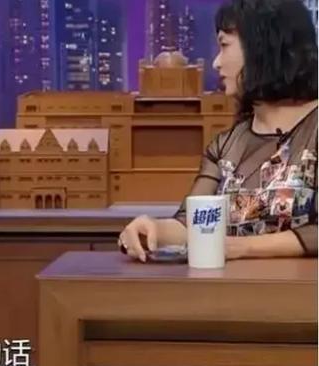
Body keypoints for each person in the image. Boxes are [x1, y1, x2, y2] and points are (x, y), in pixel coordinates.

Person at [119, 0, 317, 262]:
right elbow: (192, 225)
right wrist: (153, 230)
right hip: (228, 288)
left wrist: (243, 248)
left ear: (262, 47)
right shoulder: (225, 146)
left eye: (224, 46)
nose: (216, 62)